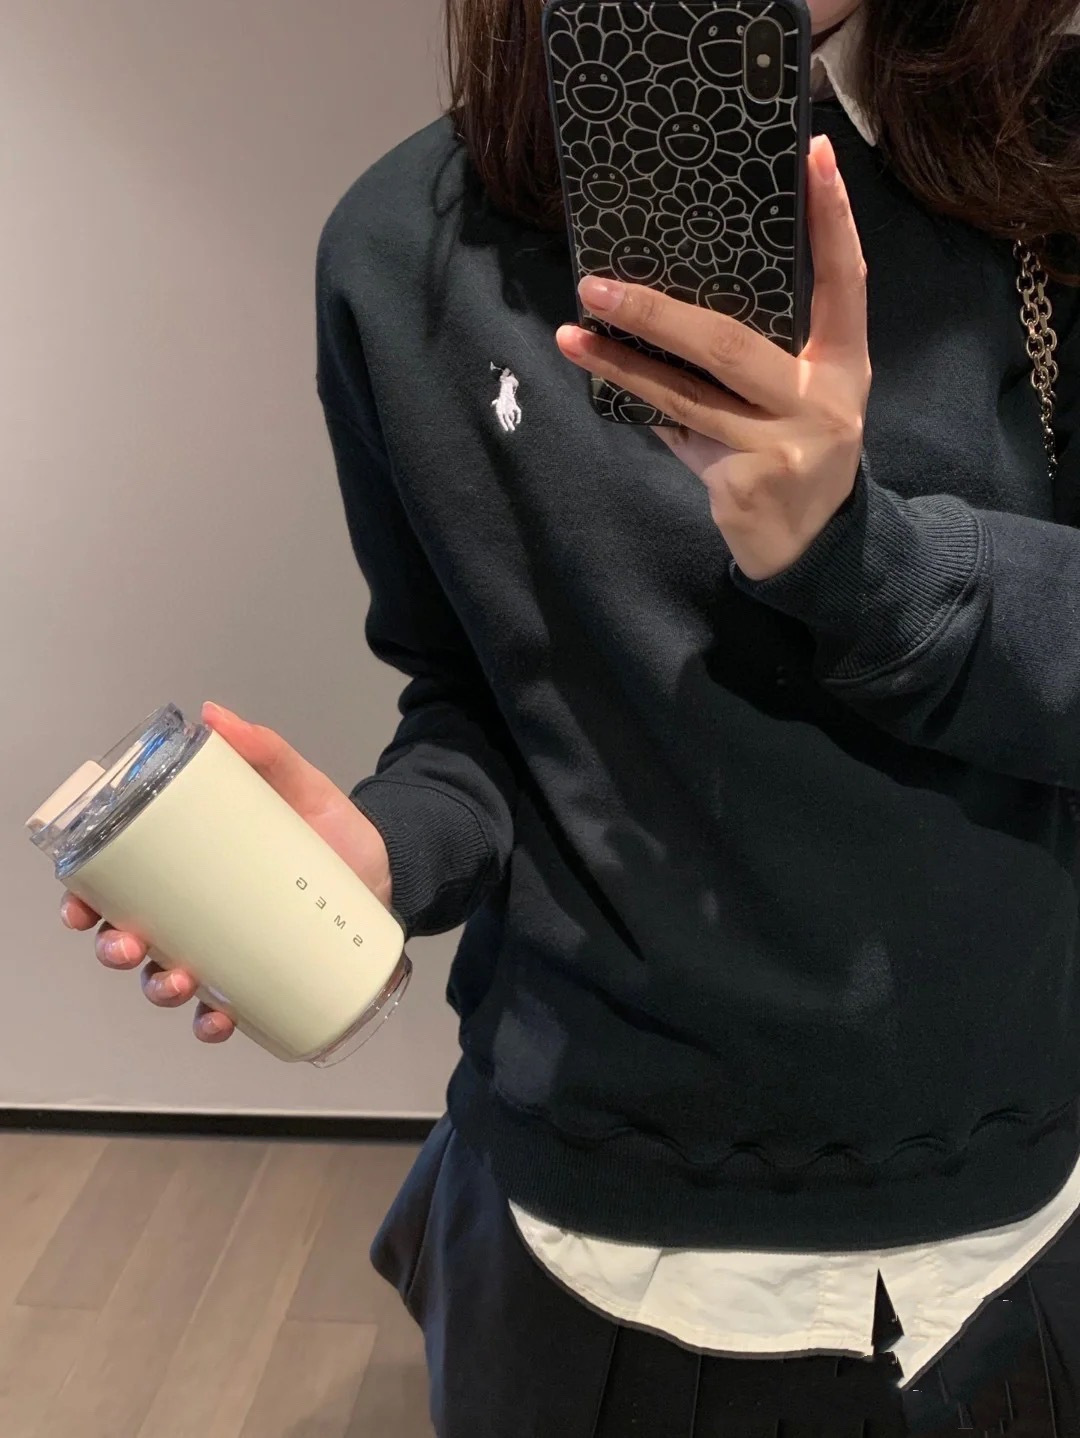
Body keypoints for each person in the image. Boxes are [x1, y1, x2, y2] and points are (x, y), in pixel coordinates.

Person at [61, 0, 1080, 1431]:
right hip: (582, 1233)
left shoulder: (1045, 171)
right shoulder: (404, 251)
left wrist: (859, 562)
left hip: (1007, 1223)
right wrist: (383, 850)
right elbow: (477, 702)